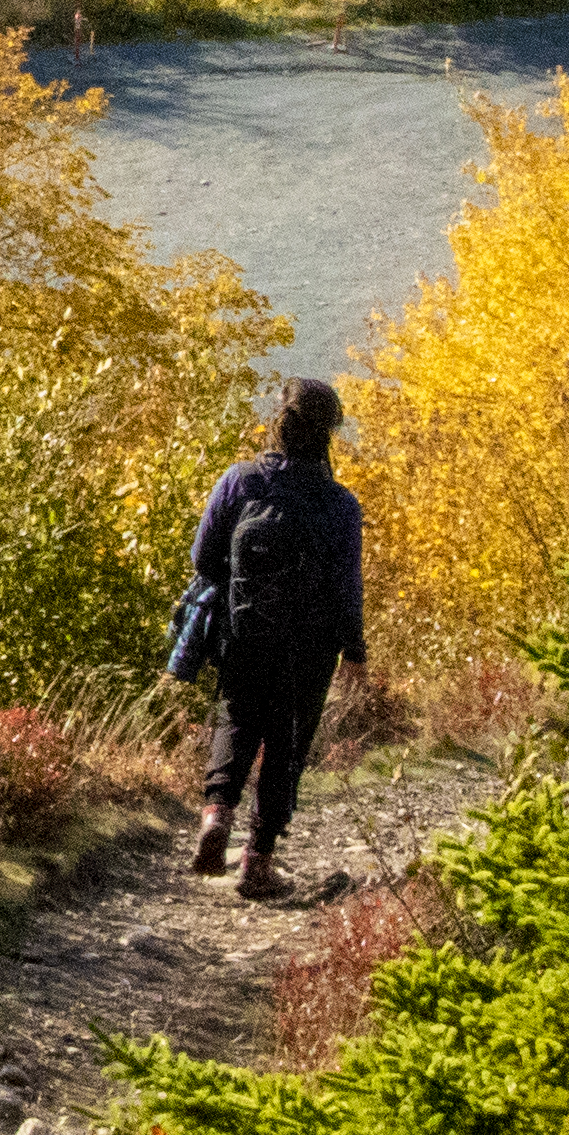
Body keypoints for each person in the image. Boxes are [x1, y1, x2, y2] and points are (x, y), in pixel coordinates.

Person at [171, 378, 367, 903]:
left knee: (236, 718)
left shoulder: (240, 481)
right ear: (329, 434)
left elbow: (203, 559)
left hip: (245, 629)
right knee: (288, 742)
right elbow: (348, 585)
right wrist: (355, 652)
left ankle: (216, 817)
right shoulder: (341, 505)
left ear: (277, 421)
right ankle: (257, 860)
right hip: (312, 645)